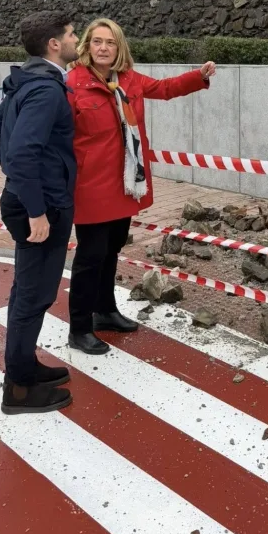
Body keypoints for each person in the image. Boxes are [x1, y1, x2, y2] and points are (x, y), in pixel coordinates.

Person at [66, 18, 215, 355]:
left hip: (123, 185)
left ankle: (104, 311)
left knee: (111, 250)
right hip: (89, 187)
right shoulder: (73, 83)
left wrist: (199, 77)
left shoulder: (129, 80)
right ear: (87, 46)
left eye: (111, 42)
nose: (103, 48)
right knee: (89, 257)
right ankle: (78, 328)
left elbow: (164, 88)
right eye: (97, 42)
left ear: (120, 48)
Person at [0, 11, 79, 415]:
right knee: (34, 295)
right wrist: (36, 208)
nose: (77, 39)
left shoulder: (24, 80)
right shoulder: (46, 90)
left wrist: (14, 176)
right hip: (41, 205)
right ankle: (20, 389)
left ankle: (24, 366)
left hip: (29, 197)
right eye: (72, 34)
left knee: (31, 292)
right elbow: (24, 150)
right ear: (54, 45)